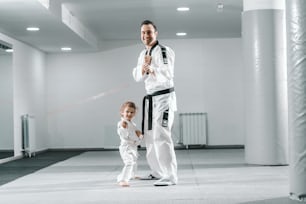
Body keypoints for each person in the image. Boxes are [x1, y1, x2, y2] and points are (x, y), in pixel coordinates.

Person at [132, 20, 178, 186]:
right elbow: (137, 77)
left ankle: (171, 175)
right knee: (150, 137)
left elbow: (168, 73)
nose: (145, 35)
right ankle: (157, 172)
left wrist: (152, 69)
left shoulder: (164, 51)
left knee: (161, 135)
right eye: (143, 32)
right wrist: (144, 68)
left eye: (149, 32)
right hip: (150, 100)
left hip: (164, 98)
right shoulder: (142, 53)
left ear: (156, 33)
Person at [117, 101, 143, 187]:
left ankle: (132, 174)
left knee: (134, 161)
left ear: (134, 113)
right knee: (129, 162)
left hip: (133, 146)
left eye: (132, 112)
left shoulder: (133, 124)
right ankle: (122, 179)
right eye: (127, 111)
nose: (129, 114)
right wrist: (123, 128)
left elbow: (135, 134)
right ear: (122, 112)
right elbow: (124, 136)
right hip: (126, 147)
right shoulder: (122, 123)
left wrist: (139, 135)